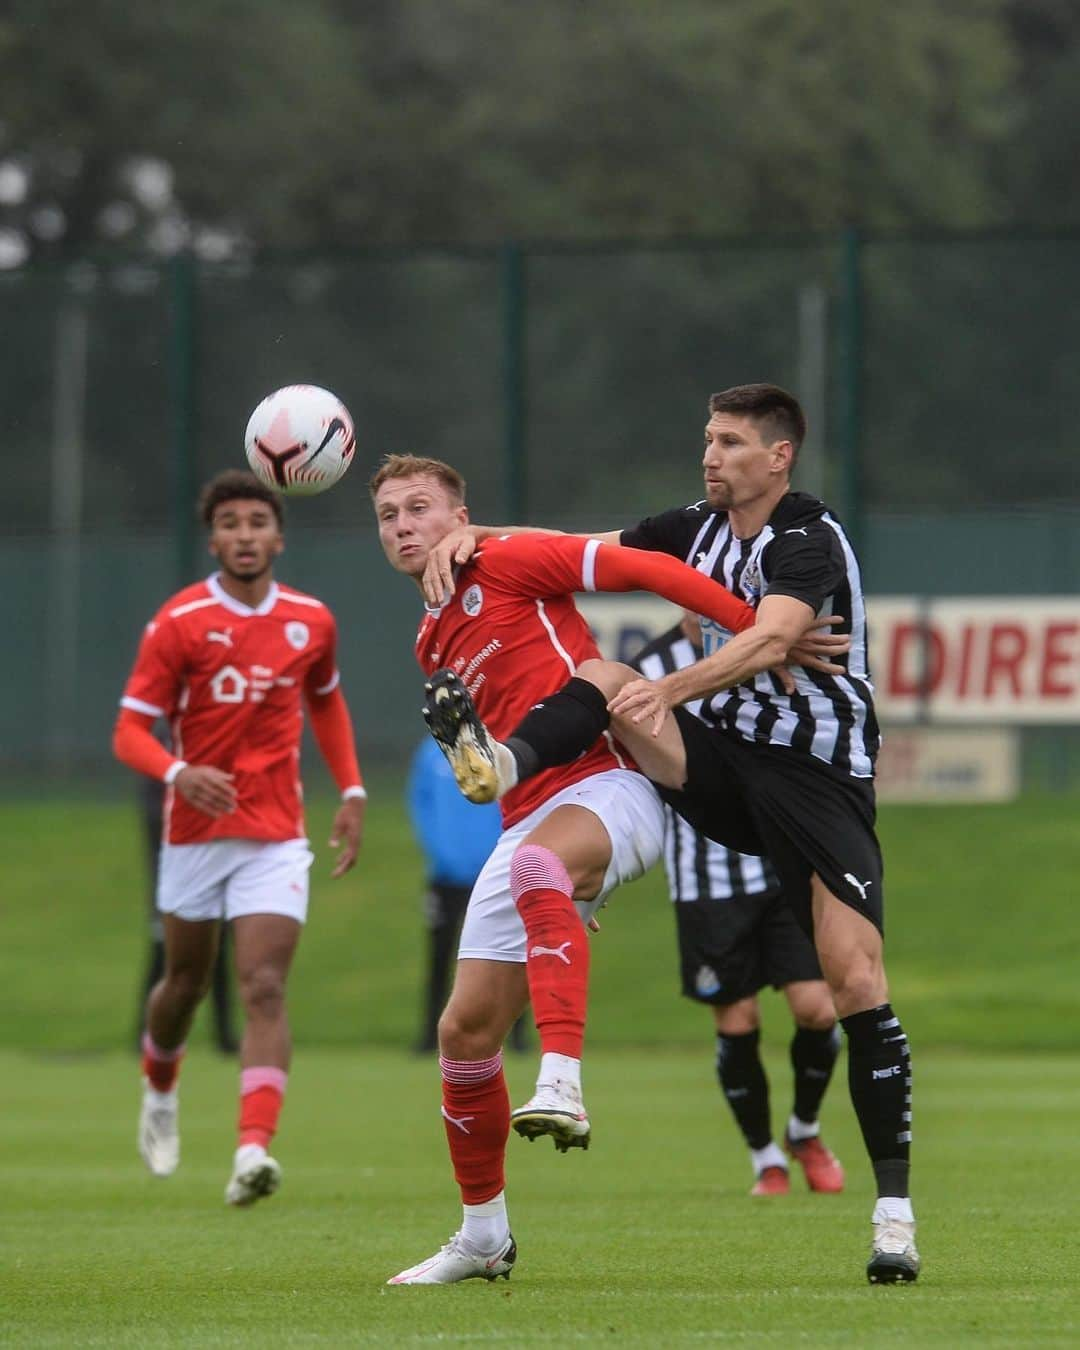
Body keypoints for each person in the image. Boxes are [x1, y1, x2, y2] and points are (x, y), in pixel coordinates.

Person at [420, 383, 919, 1284]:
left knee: (852, 977)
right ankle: (515, 776)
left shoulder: (809, 537)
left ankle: (893, 1218)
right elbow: (587, 549)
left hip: (817, 779)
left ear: (778, 457)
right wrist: (477, 534)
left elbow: (773, 640)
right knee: (606, 670)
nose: (710, 455)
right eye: (706, 439)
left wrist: (673, 690)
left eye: (729, 442)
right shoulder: (695, 525)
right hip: (727, 762)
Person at [113, 469, 366, 1206]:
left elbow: (326, 702)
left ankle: (253, 1149)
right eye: (230, 524)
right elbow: (129, 731)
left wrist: (350, 789)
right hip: (193, 834)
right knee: (184, 986)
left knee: (262, 985)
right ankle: (160, 1089)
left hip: (275, 833)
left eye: (257, 522)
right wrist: (178, 771)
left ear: (278, 536)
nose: (245, 535)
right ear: (214, 538)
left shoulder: (310, 620)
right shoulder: (180, 621)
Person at [633, 611, 844, 1197]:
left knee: (818, 1010)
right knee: (738, 1020)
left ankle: (805, 1129)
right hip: (705, 884)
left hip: (782, 863)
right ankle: (765, 1158)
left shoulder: (767, 644)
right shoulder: (649, 668)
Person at [406, 738, 527, 1055]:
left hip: (497, 869)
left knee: (511, 952)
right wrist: (441, 853)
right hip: (446, 874)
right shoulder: (430, 755)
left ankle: (517, 1036)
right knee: (441, 954)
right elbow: (422, 806)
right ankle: (430, 1035)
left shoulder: (499, 747)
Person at [135, 769, 238, 1056]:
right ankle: (147, 1036)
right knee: (168, 957)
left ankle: (225, 1035)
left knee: (216, 951)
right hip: (179, 866)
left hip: (218, 857)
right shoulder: (164, 752)